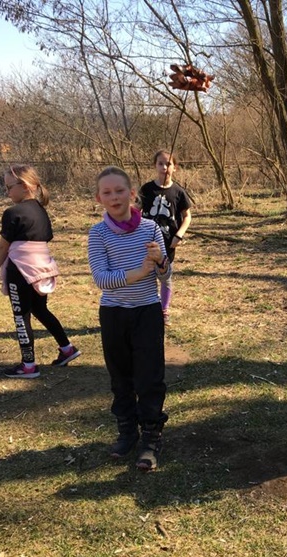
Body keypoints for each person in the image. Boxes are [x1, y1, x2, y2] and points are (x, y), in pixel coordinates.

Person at [88, 166, 171, 471]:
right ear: (99, 198)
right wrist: (137, 272)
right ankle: (127, 431)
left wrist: (160, 261)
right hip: (114, 315)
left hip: (147, 312)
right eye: (107, 192)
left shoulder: (151, 229)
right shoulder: (97, 234)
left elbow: (165, 276)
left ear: (132, 194)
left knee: (150, 377)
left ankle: (150, 436)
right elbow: (102, 279)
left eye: (120, 191)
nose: (114, 197)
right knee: (120, 377)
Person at [0, 164, 81, 378]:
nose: (7, 192)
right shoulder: (41, 211)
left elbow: (2, 248)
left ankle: (28, 366)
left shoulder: (12, 213)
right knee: (40, 309)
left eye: (9, 187)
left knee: (21, 316)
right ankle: (67, 348)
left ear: (25, 185)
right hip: (41, 268)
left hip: (20, 270)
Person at [138, 150, 192, 324]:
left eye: (168, 164)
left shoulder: (178, 192)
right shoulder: (146, 189)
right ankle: (145, 310)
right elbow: (135, 211)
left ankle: (164, 311)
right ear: (155, 166)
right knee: (145, 277)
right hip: (146, 243)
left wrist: (179, 235)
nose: (164, 167)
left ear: (175, 167)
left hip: (168, 244)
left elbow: (187, 217)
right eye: (160, 163)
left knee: (165, 278)